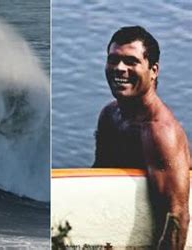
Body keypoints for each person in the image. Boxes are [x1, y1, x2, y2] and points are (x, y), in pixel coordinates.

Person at [93, 26, 190, 249]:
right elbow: (99, 177)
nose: (119, 68)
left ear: (153, 70)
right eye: (113, 59)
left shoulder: (160, 133)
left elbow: (177, 219)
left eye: (131, 61)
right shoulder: (110, 116)